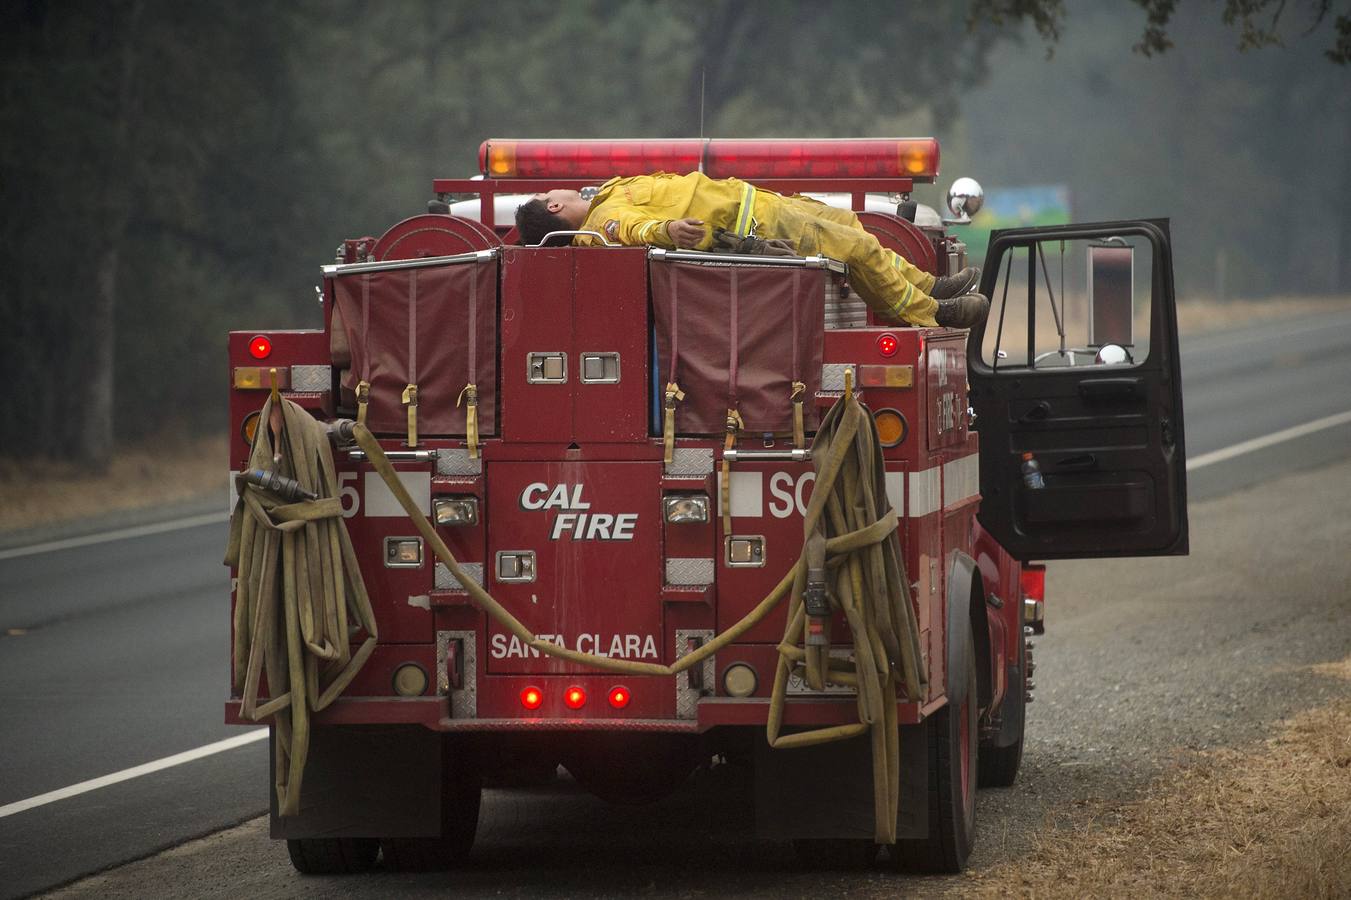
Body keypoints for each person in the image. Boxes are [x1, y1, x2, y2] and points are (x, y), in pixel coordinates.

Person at [515, 171, 989, 328]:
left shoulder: (603, 197)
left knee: (847, 224)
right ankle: (931, 312)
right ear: (554, 205)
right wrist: (669, 229)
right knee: (857, 248)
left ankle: (929, 283)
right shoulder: (602, 222)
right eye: (548, 195)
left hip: (757, 201)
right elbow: (637, 230)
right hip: (756, 223)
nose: (558, 190)